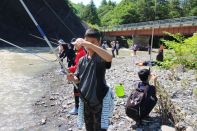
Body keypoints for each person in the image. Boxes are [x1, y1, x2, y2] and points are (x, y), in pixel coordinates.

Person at [67, 28, 113, 131]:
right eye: (87, 41)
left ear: (99, 42)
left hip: (98, 100)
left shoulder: (100, 58)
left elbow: (109, 57)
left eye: (93, 42)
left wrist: (89, 44)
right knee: (89, 127)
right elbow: (78, 79)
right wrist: (72, 78)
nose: (89, 45)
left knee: (100, 128)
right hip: (85, 99)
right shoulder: (82, 60)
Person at [68, 38, 86, 115]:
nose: (74, 45)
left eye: (76, 44)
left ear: (80, 45)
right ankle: (80, 107)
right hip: (81, 74)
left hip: (80, 75)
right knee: (79, 91)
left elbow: (77, 66)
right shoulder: (81, 52)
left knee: (76, 90)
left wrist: (69, 69)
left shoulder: (81, 53)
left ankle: (77, 108)